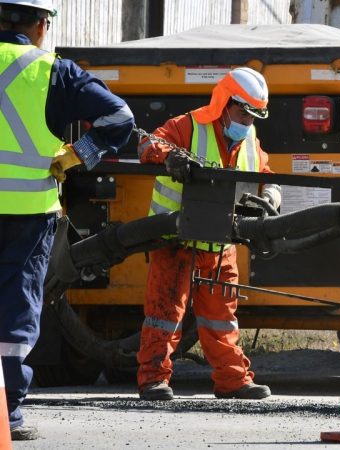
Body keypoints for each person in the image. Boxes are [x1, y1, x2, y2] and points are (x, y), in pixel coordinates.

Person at [0, 0, 134, 441]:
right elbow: (120, 118)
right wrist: (80, 154)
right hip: (26, 215)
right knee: (16, 309)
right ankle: (6, 414)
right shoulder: (52, 71)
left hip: (26, 215)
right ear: (42, 25)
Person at [136, 67, 280, 401]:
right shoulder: (187, 126)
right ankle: (153, 379)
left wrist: (270, 197)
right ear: (225, 103)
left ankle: (233, 381)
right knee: (165, 314)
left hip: (219, 242)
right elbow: (147, 144)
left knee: (221, 318)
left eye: (253, 114)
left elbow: (267, 176)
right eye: (243, 112)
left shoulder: (249, 141)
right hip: (174, 240)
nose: (247, 120)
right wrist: (170, 157)